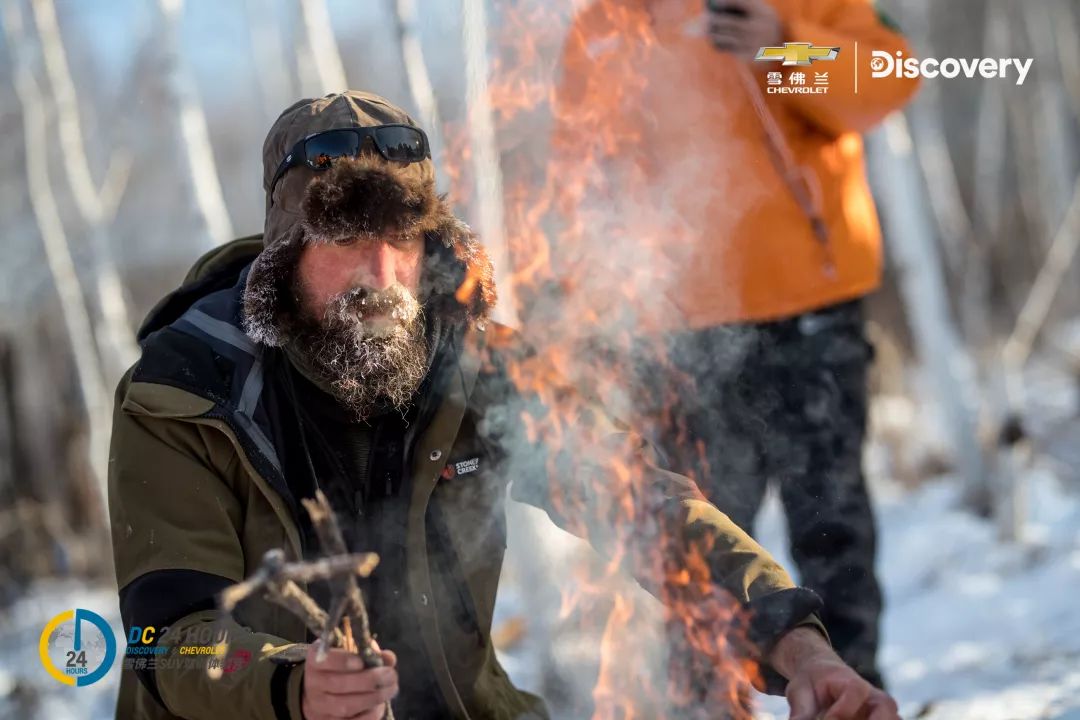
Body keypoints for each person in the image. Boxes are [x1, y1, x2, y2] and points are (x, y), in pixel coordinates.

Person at [109, 91, 899, 720]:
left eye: (403, 239)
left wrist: (803, 650)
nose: (381, 276)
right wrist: (288, 686)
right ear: (286, 258)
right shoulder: (187, 395)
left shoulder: (480, 363)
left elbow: (650, 510)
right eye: (347, 239)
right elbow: (164, 642)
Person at [551, 0, 921, 688]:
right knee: (698, 557)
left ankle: (850, 695)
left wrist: (784, 49)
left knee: (833, 537)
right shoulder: (604, 23)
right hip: (680, 335)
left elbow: (890, 78)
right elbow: (581, 178)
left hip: (810, 310)